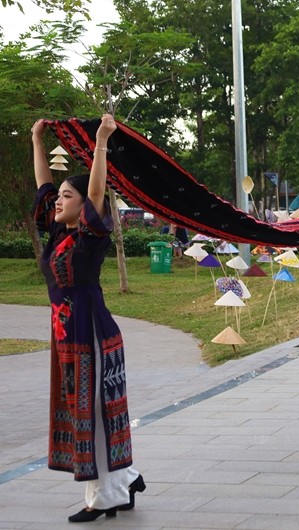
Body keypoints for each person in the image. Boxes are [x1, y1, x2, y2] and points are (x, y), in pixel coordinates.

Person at [32, 115, 145, 523]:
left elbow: (96, 190)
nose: (57, 202)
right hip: (67, 334)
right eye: (58, 198)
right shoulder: (58, 235)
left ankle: (104, 498)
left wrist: (100, 142)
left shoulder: (88, 237)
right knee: (90, 409)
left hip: (90, 331)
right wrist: (37, 139)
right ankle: (127, 479)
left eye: (67, 197)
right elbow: (44, 187)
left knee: (93, 412)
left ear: (84, 208)